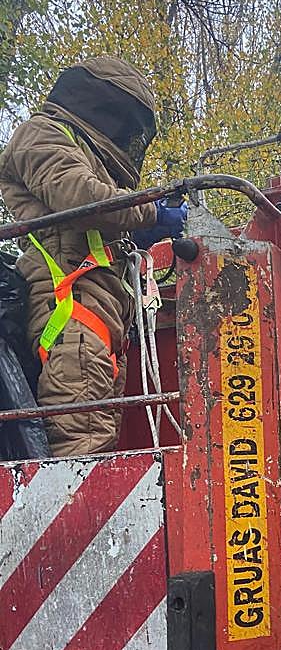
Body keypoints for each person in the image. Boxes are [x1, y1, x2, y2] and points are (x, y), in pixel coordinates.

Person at [0, 56, 186, 457]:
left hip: (94, 325)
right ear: (105, 107)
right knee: (82, 455)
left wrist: (139, 231)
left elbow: (92, 217)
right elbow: (81, 197)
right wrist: (151, 212)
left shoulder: (80, 152)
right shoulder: (41, 135)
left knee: (96, 449)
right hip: (71, 318)